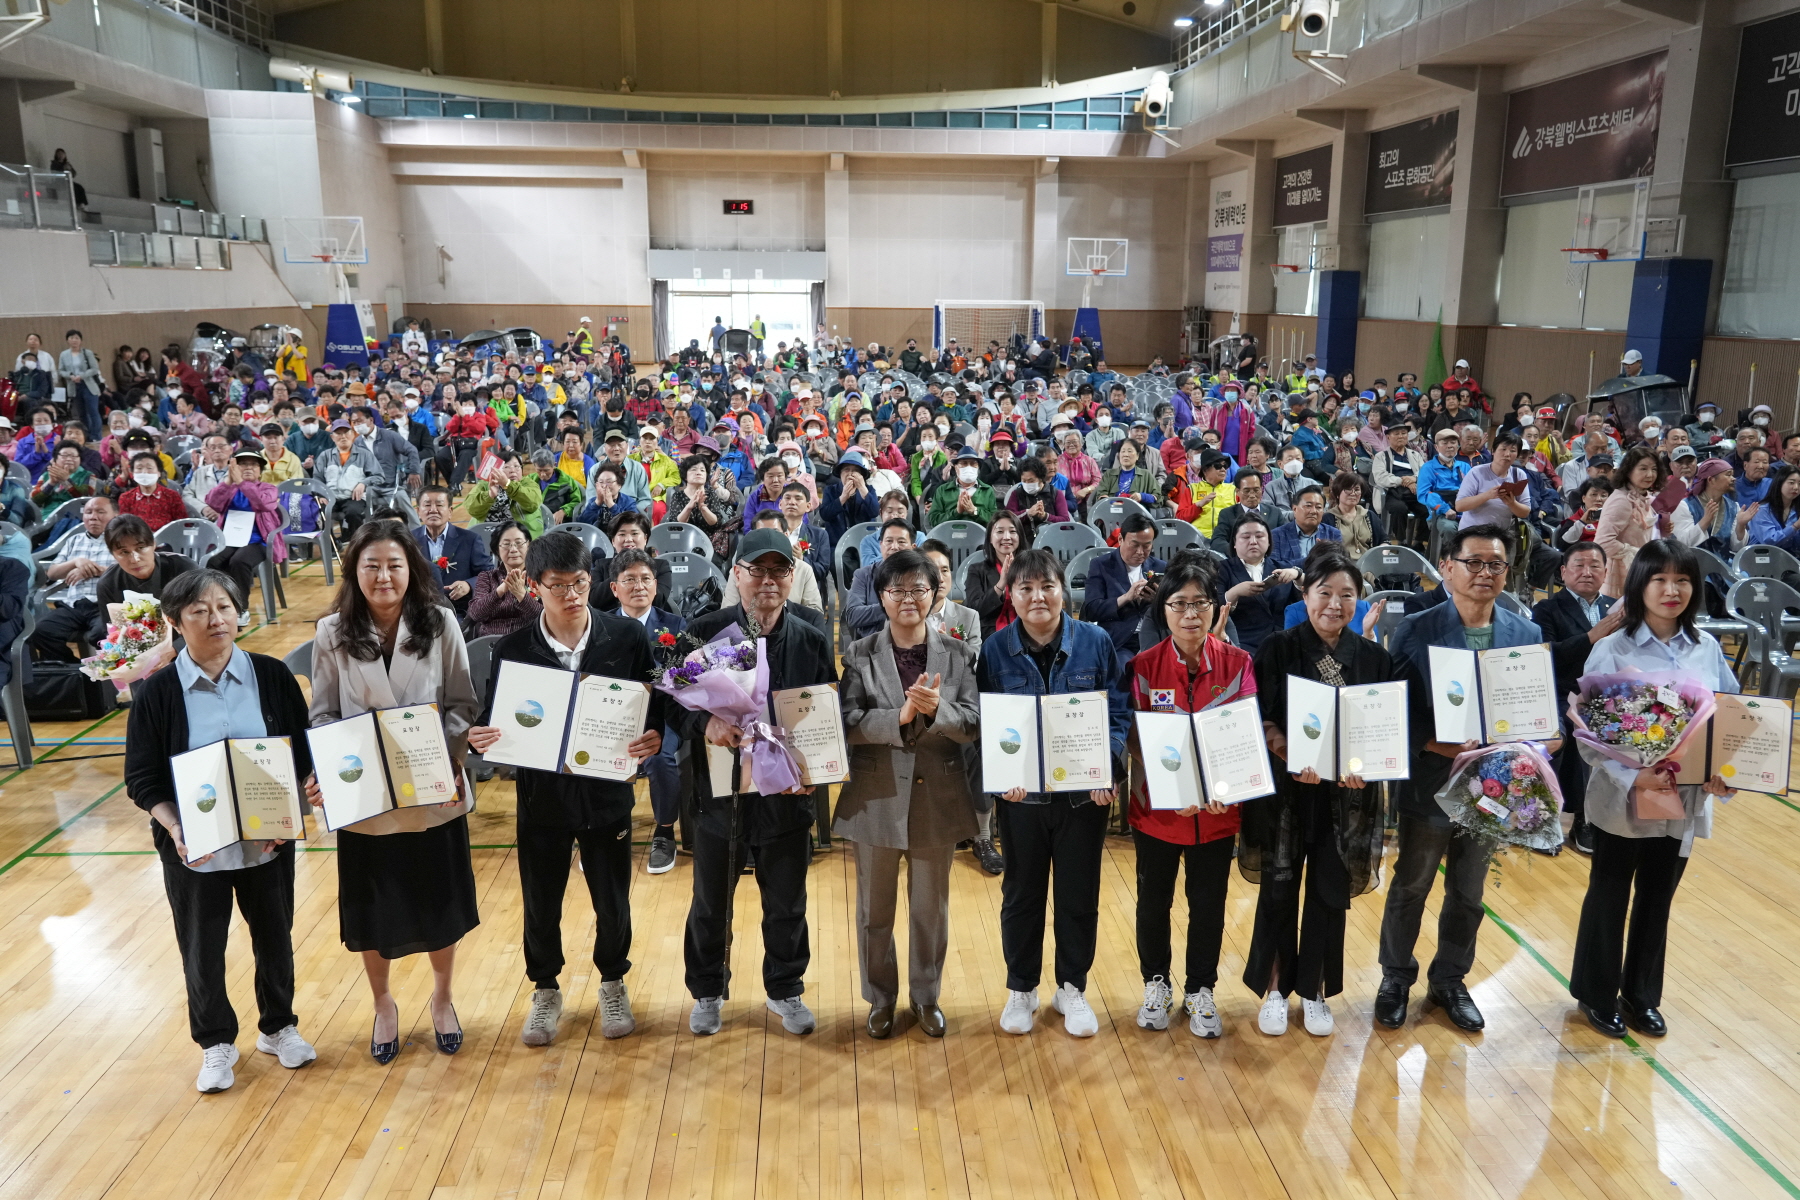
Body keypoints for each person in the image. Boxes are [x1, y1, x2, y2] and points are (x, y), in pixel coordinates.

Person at [122, 569, 319, 1094]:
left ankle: (279, 1027)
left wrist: (295, 807)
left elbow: (301, 752)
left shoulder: (273, 677)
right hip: (194, 847)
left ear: (239, 613)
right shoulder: (158, 693)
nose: (216, 619)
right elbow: (140, 778)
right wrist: (177, 830)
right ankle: (215, 1043)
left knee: (275, 936)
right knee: (201, 946)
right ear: (175, 622)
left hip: (267, 839)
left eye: (225, 607)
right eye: (200, 611)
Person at [466, 532, 665, 1046]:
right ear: (534, 587)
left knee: (612, 898)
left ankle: (613, 979)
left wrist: (655, 734)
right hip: (542, 800)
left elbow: (654, 704)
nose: (572, 595)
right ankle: (545, 988)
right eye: (558, 587)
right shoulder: (514, 648)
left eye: (579, 583)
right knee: (541, 900)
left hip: (606, 797)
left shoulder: (626, 637)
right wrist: (483, 735)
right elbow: (494, 718)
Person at [303, 520, 481, 1063]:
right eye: (372, 565)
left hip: (432, 790)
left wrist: (447, 757)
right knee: (372, 911)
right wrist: (326, 773)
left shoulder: (442, 623)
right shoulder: (331, 631)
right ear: (354, 570)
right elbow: (325, 714)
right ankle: (383, 1005)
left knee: (440, 905)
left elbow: (462, 705)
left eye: (395, 565)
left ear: (413, 570)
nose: (383, 576)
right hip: (367, 801)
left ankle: (443, 998)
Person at [1376, 524, 1550, 1033]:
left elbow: (1535, 712)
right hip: (1432, 778)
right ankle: (1395, 977)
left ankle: (1450, 979)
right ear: (1448, 568)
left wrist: (1539, 741)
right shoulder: (1417, 628)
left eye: (1495, 564)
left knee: (1469, 891)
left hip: (1493, 787)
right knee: (1412, 883)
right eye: (1473, 562)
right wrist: (1439, 745)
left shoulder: (1526, 634)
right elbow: (1397, 711)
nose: (1484, 573)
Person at [1569, 540, 1738, 1039]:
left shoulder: (1706, 648)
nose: (1672, 590)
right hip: (1624, 799)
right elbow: (1588, 736)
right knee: (1609, 894)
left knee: (1658, 897)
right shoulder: (1612, 648)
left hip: (1683, 800)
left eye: (1683, 580)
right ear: (1639, 585)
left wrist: (1721, 769)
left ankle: (1641, 996)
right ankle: (1596, 994)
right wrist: (1631, 774)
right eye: (1660, 579)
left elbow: (1730, 719)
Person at [675, 529, 838, 1037]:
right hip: (719, 793)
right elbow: (673, 702)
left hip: (786, 796)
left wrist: (817, 771)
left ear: (793, 577)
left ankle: (786, 989)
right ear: (737, 575)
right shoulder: (704, 631)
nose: (768, 581)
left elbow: (822, 713)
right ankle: (706, 990)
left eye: (779, 571)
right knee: (710, 903)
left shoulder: (811, 634)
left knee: (787, 902)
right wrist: (707, 725)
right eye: (757, 570)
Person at [980, 548, 1130, 1038]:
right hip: (1022, 800)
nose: (1037, 597)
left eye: (1047, 586)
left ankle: (1072, 987)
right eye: (1025, 588)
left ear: (1064, 590)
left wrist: (1107, 766)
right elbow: (988, 721)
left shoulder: (1096, 641)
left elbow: (1118, 711)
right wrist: (1003, 775)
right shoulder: (996, 648)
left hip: (1082, 798)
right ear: (1011, 594)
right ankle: (1021, 987)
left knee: (1077, 894)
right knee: (1021, 894)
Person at [1241, 548, 1390, 1037]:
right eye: (1324, 592)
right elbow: (1256, 716)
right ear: (1304, 595)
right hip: (1287, 791)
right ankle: (1276, 987)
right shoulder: (1278, 647)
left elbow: (1379, 730)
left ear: (1359, 601)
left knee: (1329, 894)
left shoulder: (1372, 658)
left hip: (1344, 798)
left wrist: (1364, 768)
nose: (1335, 603)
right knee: (1279, 888)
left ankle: (1317, 989)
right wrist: (1286, 750)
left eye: (1347, 595)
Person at [836, 548, 980, 1039]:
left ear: (935, 595)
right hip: (875, 797)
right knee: (874, 911)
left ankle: (925, 997)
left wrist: (940, 710)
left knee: (929, 909)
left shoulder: (958, 654)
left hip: (936, 798)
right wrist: (895, 719)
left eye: (919, 588)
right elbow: (847, 724)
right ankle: (880, 998)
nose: (908, 599)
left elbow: (974, 723)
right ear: (881, 596)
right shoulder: (858, 653)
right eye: (896, 589)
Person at [1126, 559, 1253, 1038]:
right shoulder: (1143, 667)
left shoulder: (1238, 664)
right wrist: (1170, 788)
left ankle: (1201, 989)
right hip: (1158, 813)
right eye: (1180, 604)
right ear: (1165, 610)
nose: (1191, 614)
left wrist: (1227, 786)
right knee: (1152, 903)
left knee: (1209, 904)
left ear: (1214, 607)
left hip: (1216, 816)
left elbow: (1243, 737)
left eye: (1200, 603)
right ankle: (1155, 982)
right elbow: (1135, 737)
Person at [1532, 542, 1619, 858]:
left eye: (1595, 566)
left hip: (1608, 696)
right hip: (1559, 692)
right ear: (1563, 572)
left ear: (1606, 572)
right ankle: (1541, 819)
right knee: (1567, 730)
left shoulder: (1616, 607)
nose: (1587, 572)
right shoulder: (1547, 608)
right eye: (1579, 565)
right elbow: (1546, 656)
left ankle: (1589, 819)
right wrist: (1591, 637)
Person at [607, 548, 687, 874]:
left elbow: (686, 682)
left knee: (661, 756)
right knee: (595, 749)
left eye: (645, 579)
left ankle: (665, 831)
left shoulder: (677, 626)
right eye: (629, 580)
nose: (639, 586)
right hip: (614, 715)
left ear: (656, 585)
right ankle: (609, 829)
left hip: (664, 715)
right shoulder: (599, 625)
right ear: (615, 588)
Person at [203, 448, 286, 623]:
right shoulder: (230, 488)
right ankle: (218, 606)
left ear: (260, 470)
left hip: (259, 541)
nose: (248, 468)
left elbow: (262, 503)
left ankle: (241, 609)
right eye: (243, 464)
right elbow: (213, 503)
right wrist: (228, 482)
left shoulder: (269, 489)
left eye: (253, 464)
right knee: (212, 561)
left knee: (239, 561)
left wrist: (242, 483)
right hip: (230, 539)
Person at [30, 495, 115, 662]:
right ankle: (77, 672)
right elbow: (53, 573)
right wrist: (76, 562)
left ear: (115, 516)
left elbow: (129, 571)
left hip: (105, 605)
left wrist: (93, 571)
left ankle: (107, 679)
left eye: (100, 512)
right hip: (75, 605)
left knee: (101, 635)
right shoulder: (75, 540)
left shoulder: (121, 540)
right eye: (88, 512)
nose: (93, 517)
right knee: (41, 631)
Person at [1218, 514, 1300, 656]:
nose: (1253, 542)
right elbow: (1212, 610)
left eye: (1259, 536)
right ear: (1235, 543)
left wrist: (1298, 576)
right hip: (1242, 646)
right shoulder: (1221, 570)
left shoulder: (1283, 568)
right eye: (1246, 537)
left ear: (1269, 541)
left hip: (1284, 644)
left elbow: (1303, 603)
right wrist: (1235, 592)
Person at [1083, 513, 1166, 652]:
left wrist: (1157, 600)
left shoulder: (1160, 567)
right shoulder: (1101, 565)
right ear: (1120, 539)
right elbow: (1092, 610)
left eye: (1147, 546)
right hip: (1121, 641)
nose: (1140, 552)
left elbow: (1174, 607)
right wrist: (1126, 598)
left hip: (1154, 638)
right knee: (1124, 668)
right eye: (1134, 545)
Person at [1595, 445, 1666, 598]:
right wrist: (1637, 554)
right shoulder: (1621, 500)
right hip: (1621, 572)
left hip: (1640, 569)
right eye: (1643, 468)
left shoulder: (1645, 496)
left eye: (1654, 469)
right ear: (1629, 470)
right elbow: (1602, 542)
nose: (1650, 474)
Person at [414, 485, 493, 617]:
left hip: (458, 611)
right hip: (418, 610)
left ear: (450, 511)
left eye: (439, 505)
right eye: (427, 505)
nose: (433, 510)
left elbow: (489, 574)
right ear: (418, 512)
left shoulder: (470, 539)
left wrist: (469, 584)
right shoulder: (408, 540)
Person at [467, 520, 541, 638]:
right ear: (497, 549)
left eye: (519, 543)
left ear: (528, 545)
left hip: (527, 642)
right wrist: (500, 591)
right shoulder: (487, 577)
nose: (513, 549)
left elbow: (544, 616)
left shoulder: (538, 576)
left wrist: (521, 595)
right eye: (506, 544)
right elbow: (475, 614)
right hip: (490, 644)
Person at [964, 510, 1025, 642]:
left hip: (1026, 634)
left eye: (1012, 531)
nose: (1007, 537)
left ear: (1020, 536)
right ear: (990, 538)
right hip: (989, 637)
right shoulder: (977, 570)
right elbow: (974, 610)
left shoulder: (1029, 568)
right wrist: (1001, 584)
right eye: (1000, 531)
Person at [1269, 486, 1341, 566]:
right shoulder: (1277, 535)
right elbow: (1274, 566)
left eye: (1318, 507)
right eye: (1308, 506)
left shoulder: (1333, 534)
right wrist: (1313, 559)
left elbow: (1338, 565)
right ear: (1294, 509)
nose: (1313, 511)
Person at [1322, 471, 1386, 561]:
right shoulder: (1328, 518)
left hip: (1369, 562)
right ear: (1337, 494)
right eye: (1348, 489)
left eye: (1356, 489)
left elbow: (1384, 541)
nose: (1353, 493)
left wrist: (1381, 554)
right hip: (1341, 565)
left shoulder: (1369, 515)